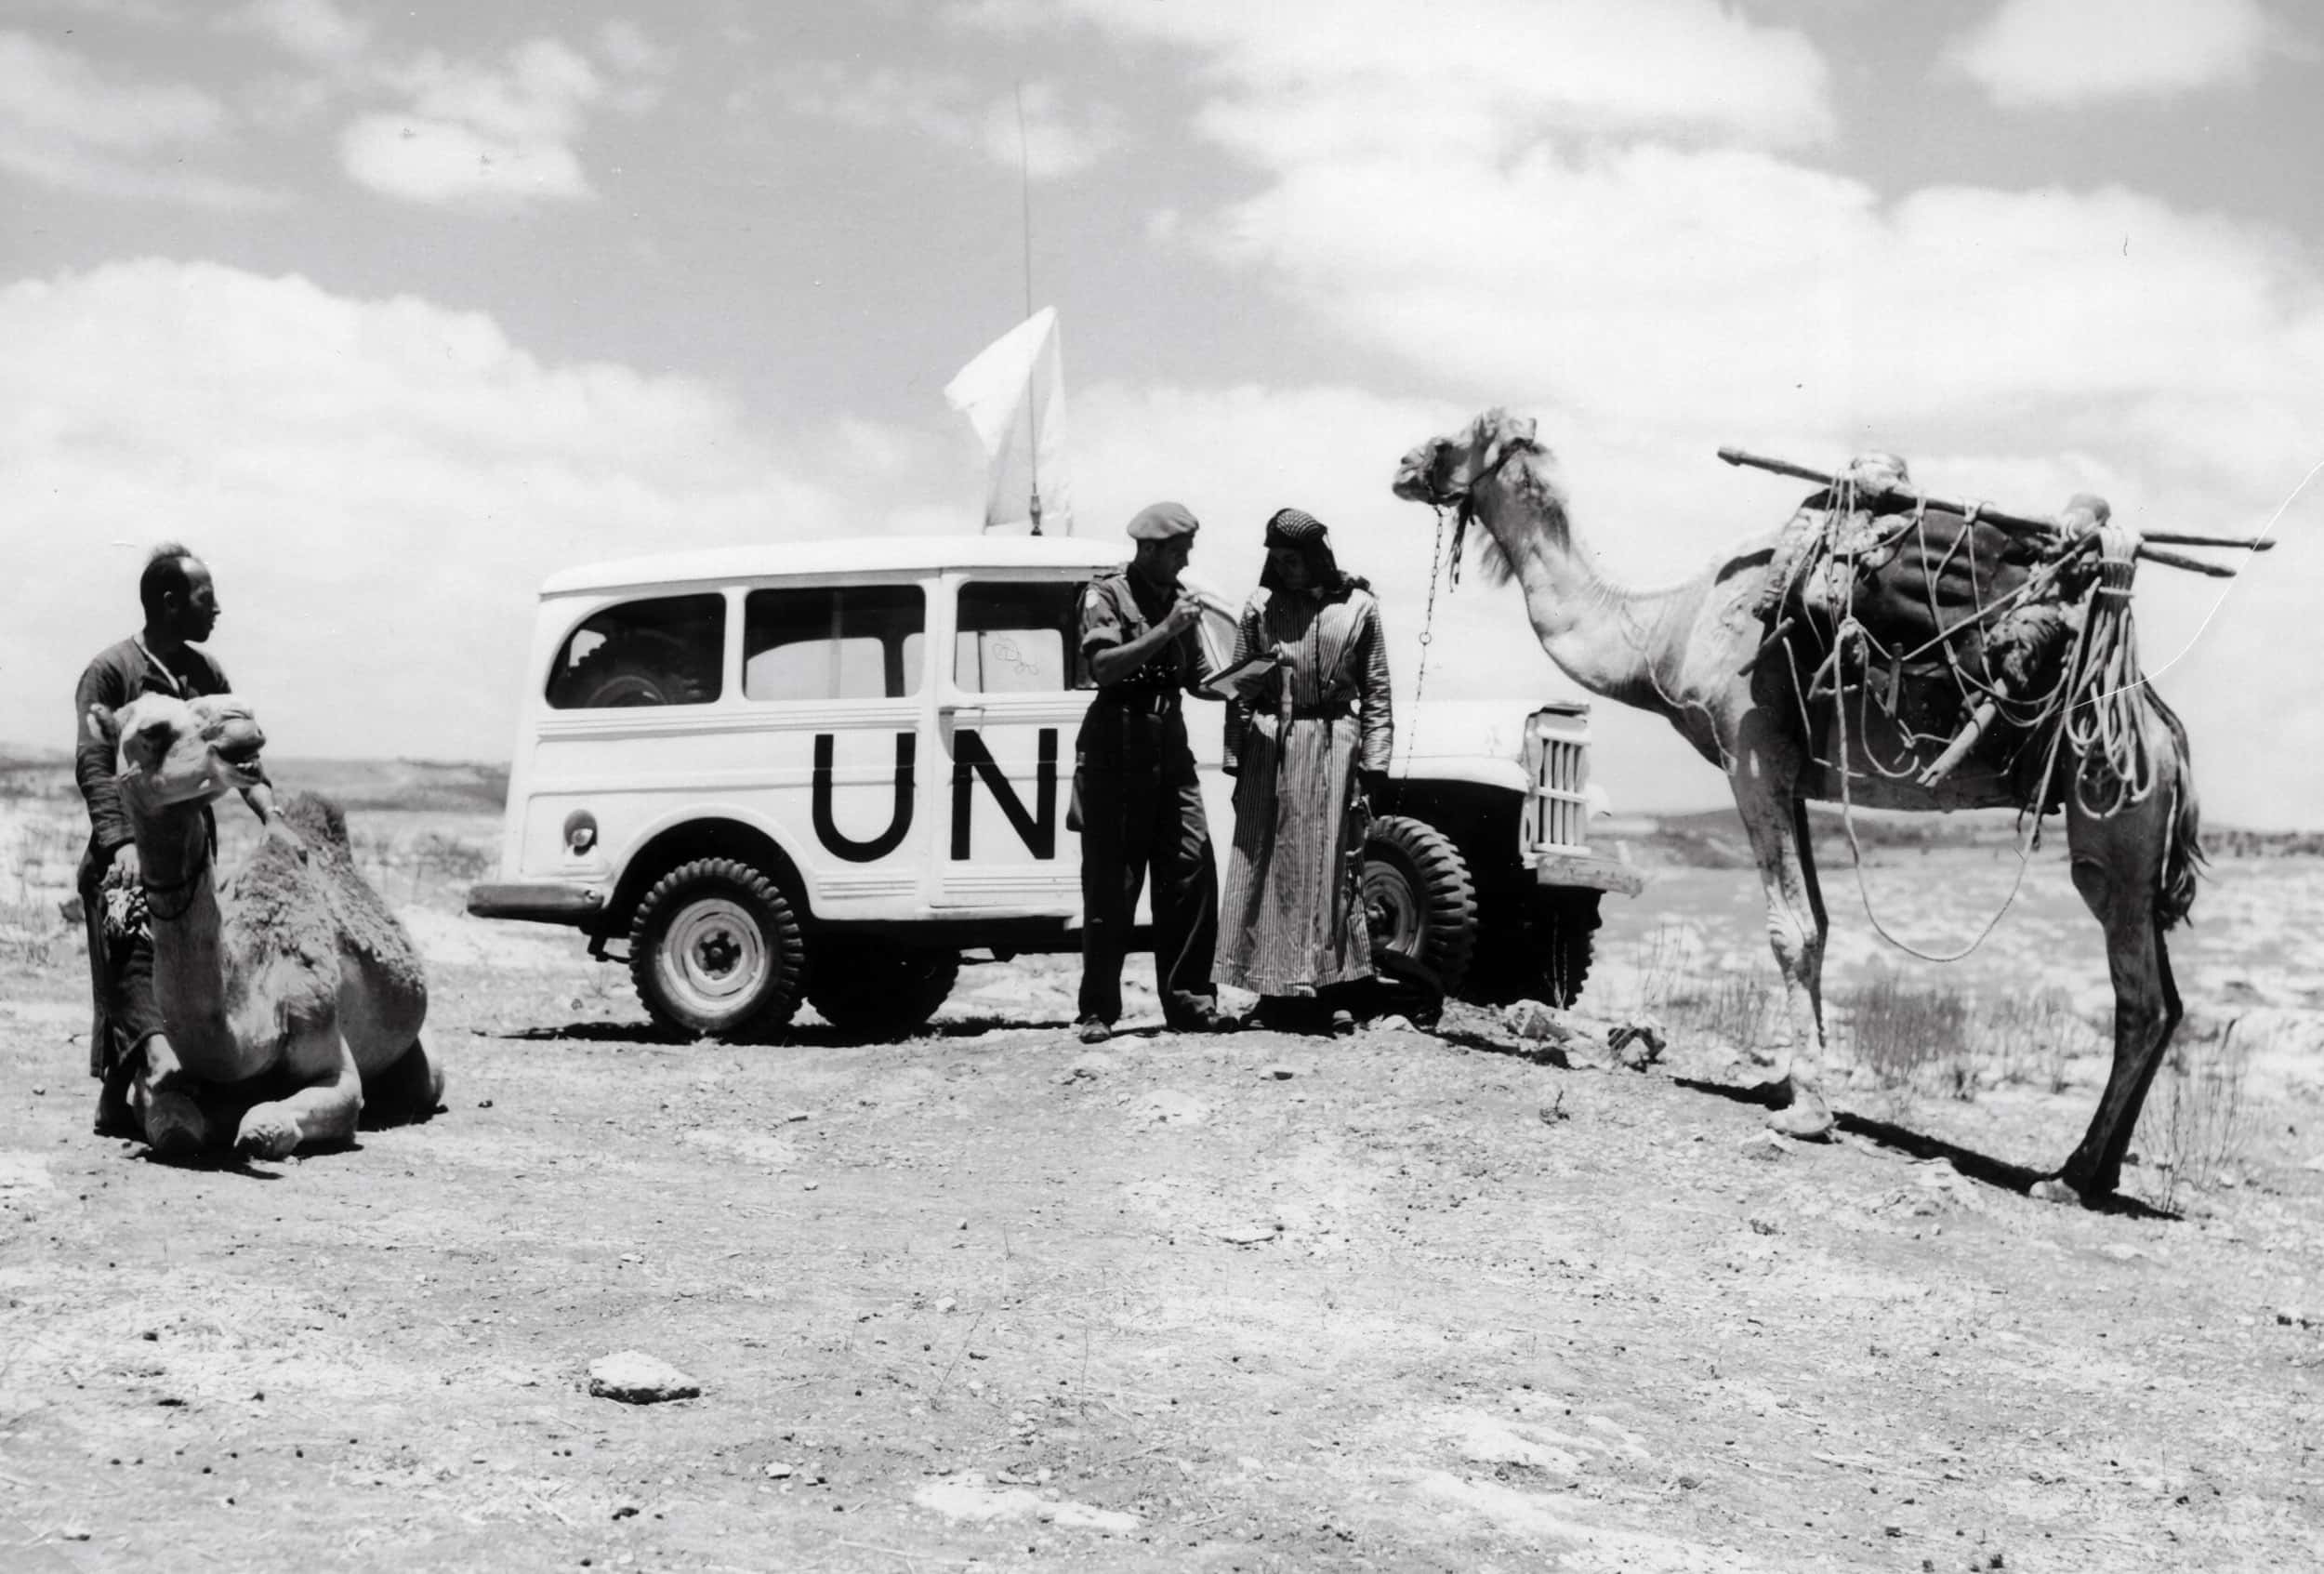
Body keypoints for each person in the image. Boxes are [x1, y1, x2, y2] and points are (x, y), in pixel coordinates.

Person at [74, 544, 284, 1137]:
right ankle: (138, 1084)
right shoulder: (112, 671)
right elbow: (95, 763)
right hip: (129, 852)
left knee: (191, 973)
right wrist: (121, 846)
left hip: (191, 854)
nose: (217, 609)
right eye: (205, 598)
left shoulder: (207, 675)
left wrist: (272, 815)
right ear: (170, 603)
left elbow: (239, 754)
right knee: (131, 946)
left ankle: (143, 1091)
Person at [1073, 502, 1246, 1043]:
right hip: (1115, 749)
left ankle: (1191, 1002)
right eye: (1178, 552)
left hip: (1170, 751)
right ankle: (1098, 1008)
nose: (1185, 561)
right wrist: (1166, 628)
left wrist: (1244, 683)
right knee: (1112, 884)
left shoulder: (1178, 602)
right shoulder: (1104, 596)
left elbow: (1196, 679)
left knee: (1191, 870)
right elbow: (1102, 668)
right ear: (1148, 550)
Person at [1217, 508, 1393, 1034]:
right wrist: (1236, 759)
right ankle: (1272, 995)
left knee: (1332, 867)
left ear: (1317, 557)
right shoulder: (1259, 607)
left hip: (1335, 745)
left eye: (1295, 560)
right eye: (1278, 560)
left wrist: (1373, 764)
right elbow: (1239, 691)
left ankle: (1333, 990)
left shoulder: (1359, 607)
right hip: (1272, 746)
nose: (1287, 569)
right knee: (1270, 869)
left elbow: (1378, 691)